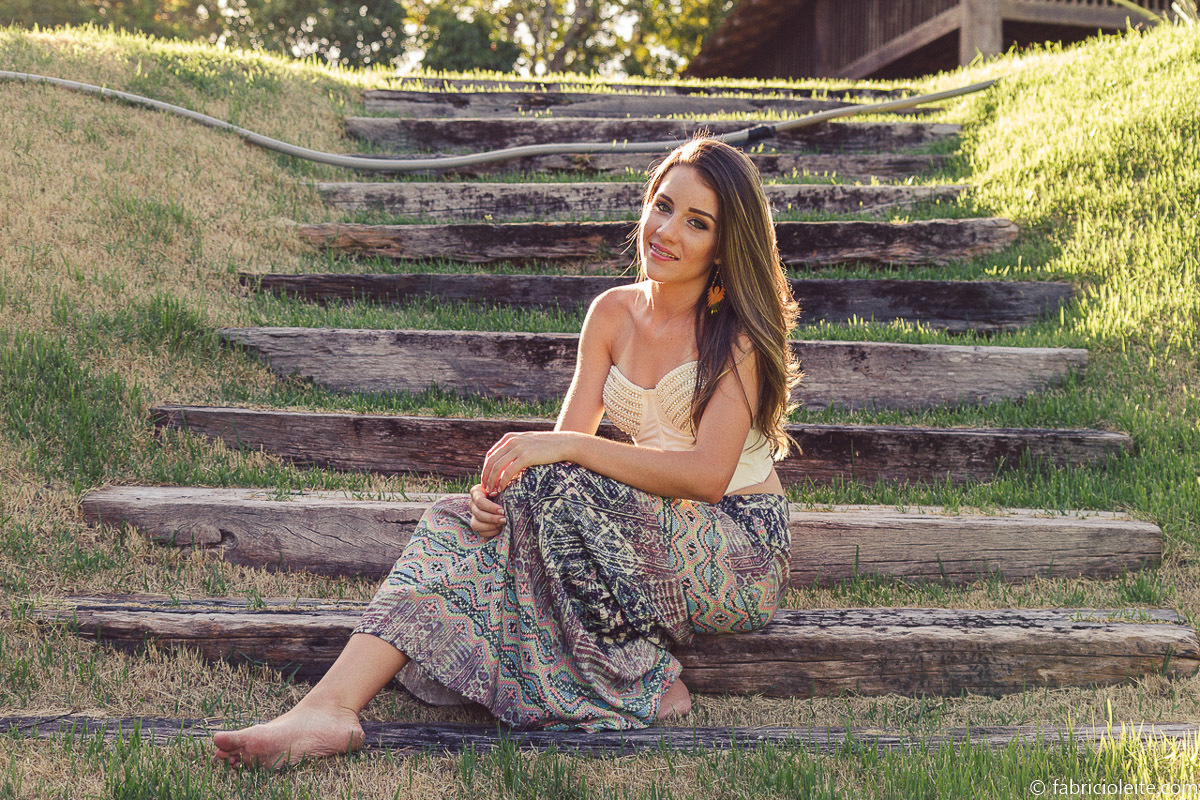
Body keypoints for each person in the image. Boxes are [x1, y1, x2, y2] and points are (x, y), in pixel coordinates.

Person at [212, 135, 802, 769]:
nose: (667, 231)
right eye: (663, 206)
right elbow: (550, 469)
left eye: (697, 222)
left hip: (737, 550)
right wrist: (498, 497)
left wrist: (566, 449)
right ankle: (328, 708)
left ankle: (637, 674)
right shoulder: (612, 314)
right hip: (648, 534)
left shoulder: (736, 337)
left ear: (724, 245)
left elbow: (706, 477)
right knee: (459, 520)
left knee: (557, 479)